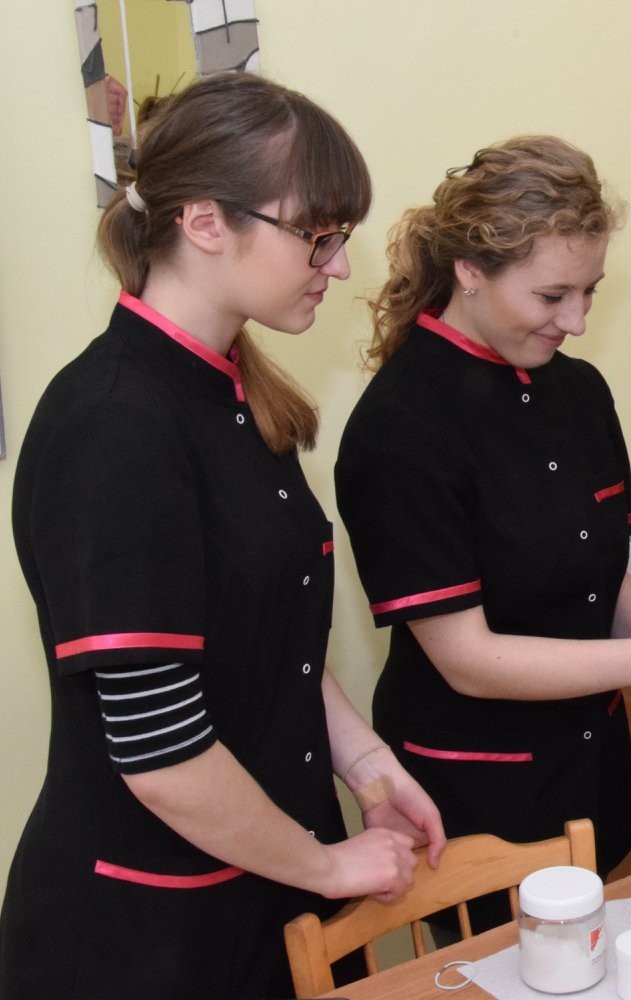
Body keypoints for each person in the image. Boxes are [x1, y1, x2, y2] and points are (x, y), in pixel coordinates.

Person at [0, 72, 446, 1000]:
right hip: (147, 937)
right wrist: (327, 866)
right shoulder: (113, 425)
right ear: (205, 222)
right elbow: (161, 752)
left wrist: (367, 764)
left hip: (264, 889)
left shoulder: (234, 394)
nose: (341, 268)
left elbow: (268, 636)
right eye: (318, 237)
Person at [334, 137, 631, 936]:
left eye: (590, 292)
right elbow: (468, 660)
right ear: (469, 270)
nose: (576, 321)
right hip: (478, 803)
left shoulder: (579, 393)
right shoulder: (400, 427)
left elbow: (599, 570)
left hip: (589, 771)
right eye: (551, 296)